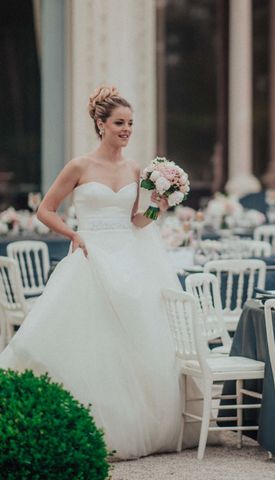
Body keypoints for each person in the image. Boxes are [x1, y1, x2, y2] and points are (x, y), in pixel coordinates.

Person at [0, 86, 182, 459]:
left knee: (133, 341)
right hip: (89, 254)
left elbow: (135, 220)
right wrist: (73, 234)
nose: (126, 129)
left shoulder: (135, 169)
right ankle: (77, 424)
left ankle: (133, 424)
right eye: (119, 123)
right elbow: (46, 210)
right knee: (88, 341)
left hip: (129, 257)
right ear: (101, 124)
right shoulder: (79, 166)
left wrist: (156, 209)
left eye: (130, 123)